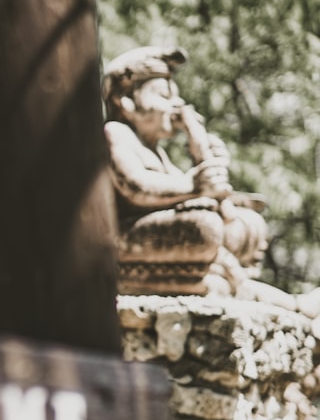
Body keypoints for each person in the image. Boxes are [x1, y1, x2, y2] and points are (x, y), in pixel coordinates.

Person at [103, 46, 320, 312]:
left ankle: (277, 298)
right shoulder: (116, 133)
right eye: (163, 95)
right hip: (128, 236)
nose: (177, 104)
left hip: (161, 229)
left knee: (247, 222)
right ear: (124, 100)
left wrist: (201, 156)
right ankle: (286, 302)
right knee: (205, 226)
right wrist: (193, 186)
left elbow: (198, 199)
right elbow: (135, 186)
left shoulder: (158, 153)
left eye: (176, 95)